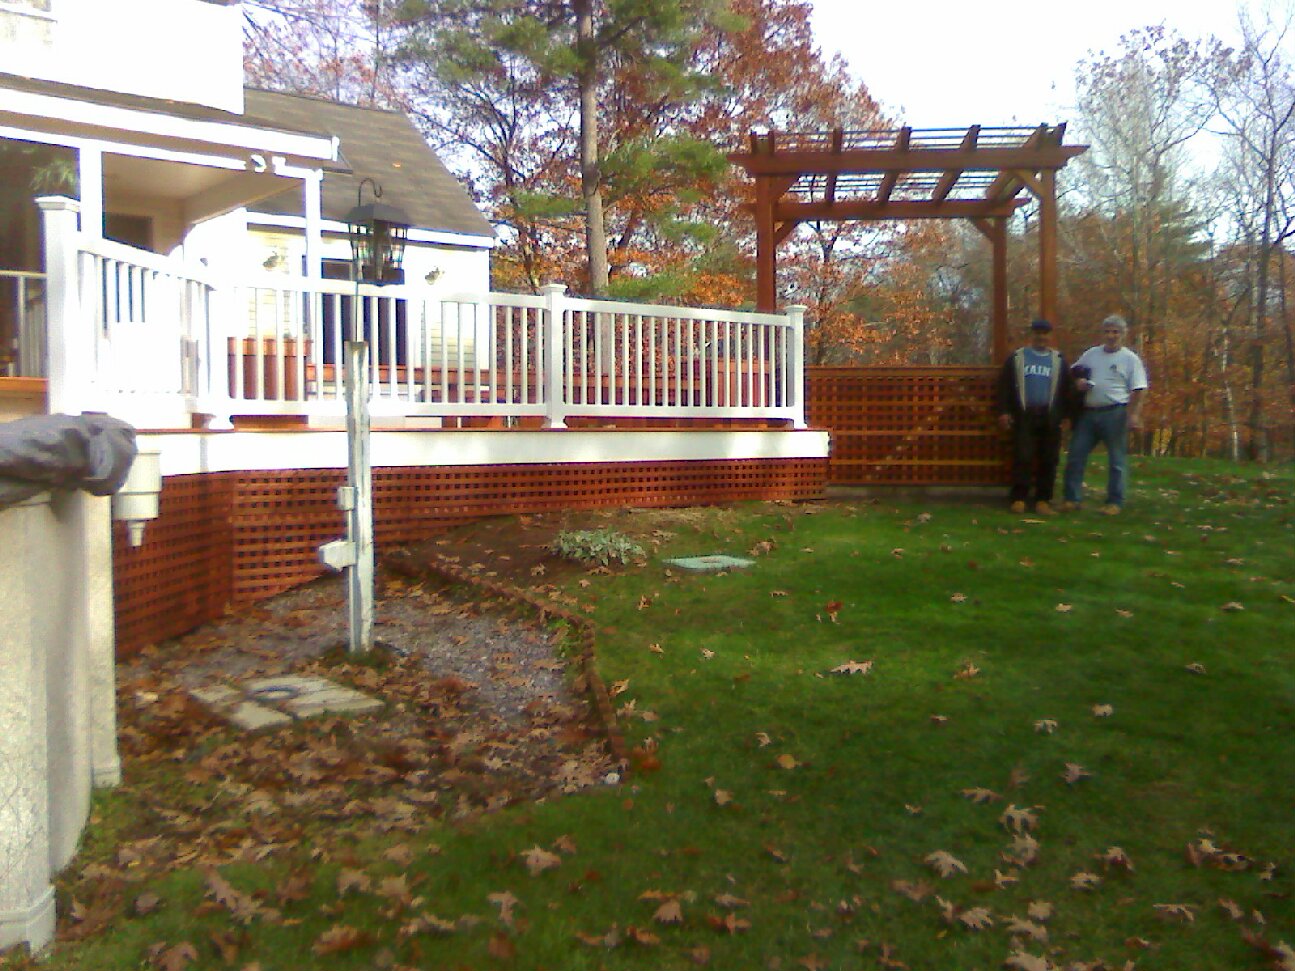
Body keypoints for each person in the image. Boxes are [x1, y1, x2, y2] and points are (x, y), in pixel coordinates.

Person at [1062, 315, 1149, 515]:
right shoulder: (1091, 354)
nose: (1111, 336)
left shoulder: (1130, 359)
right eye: (1107, 331)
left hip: (1115, 412)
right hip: (1089, 413)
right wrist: (1078, 383)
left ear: (1123, 334)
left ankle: (1114, 502)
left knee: (1116, 460)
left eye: (1115, 332)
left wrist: (1134, 415)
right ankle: (1071, 498)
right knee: (1076, 454)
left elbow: (1140, 389)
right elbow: (1073, 373)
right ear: (1102, 333)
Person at [997, 319, 1073, 515]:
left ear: (1050, 336)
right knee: (1023, 456)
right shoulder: (1017, 358)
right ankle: (1019, 498)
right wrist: (1004, 412)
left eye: (1045, 333)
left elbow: (1067, 390)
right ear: (1032, 335)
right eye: (1038, 333)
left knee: (1049, 458)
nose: (1041, 337)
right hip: (1024, 414)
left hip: (1050, 416)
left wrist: (1066, 416)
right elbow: (1004, 386)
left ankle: (1043, 500)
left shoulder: (1058, 360)